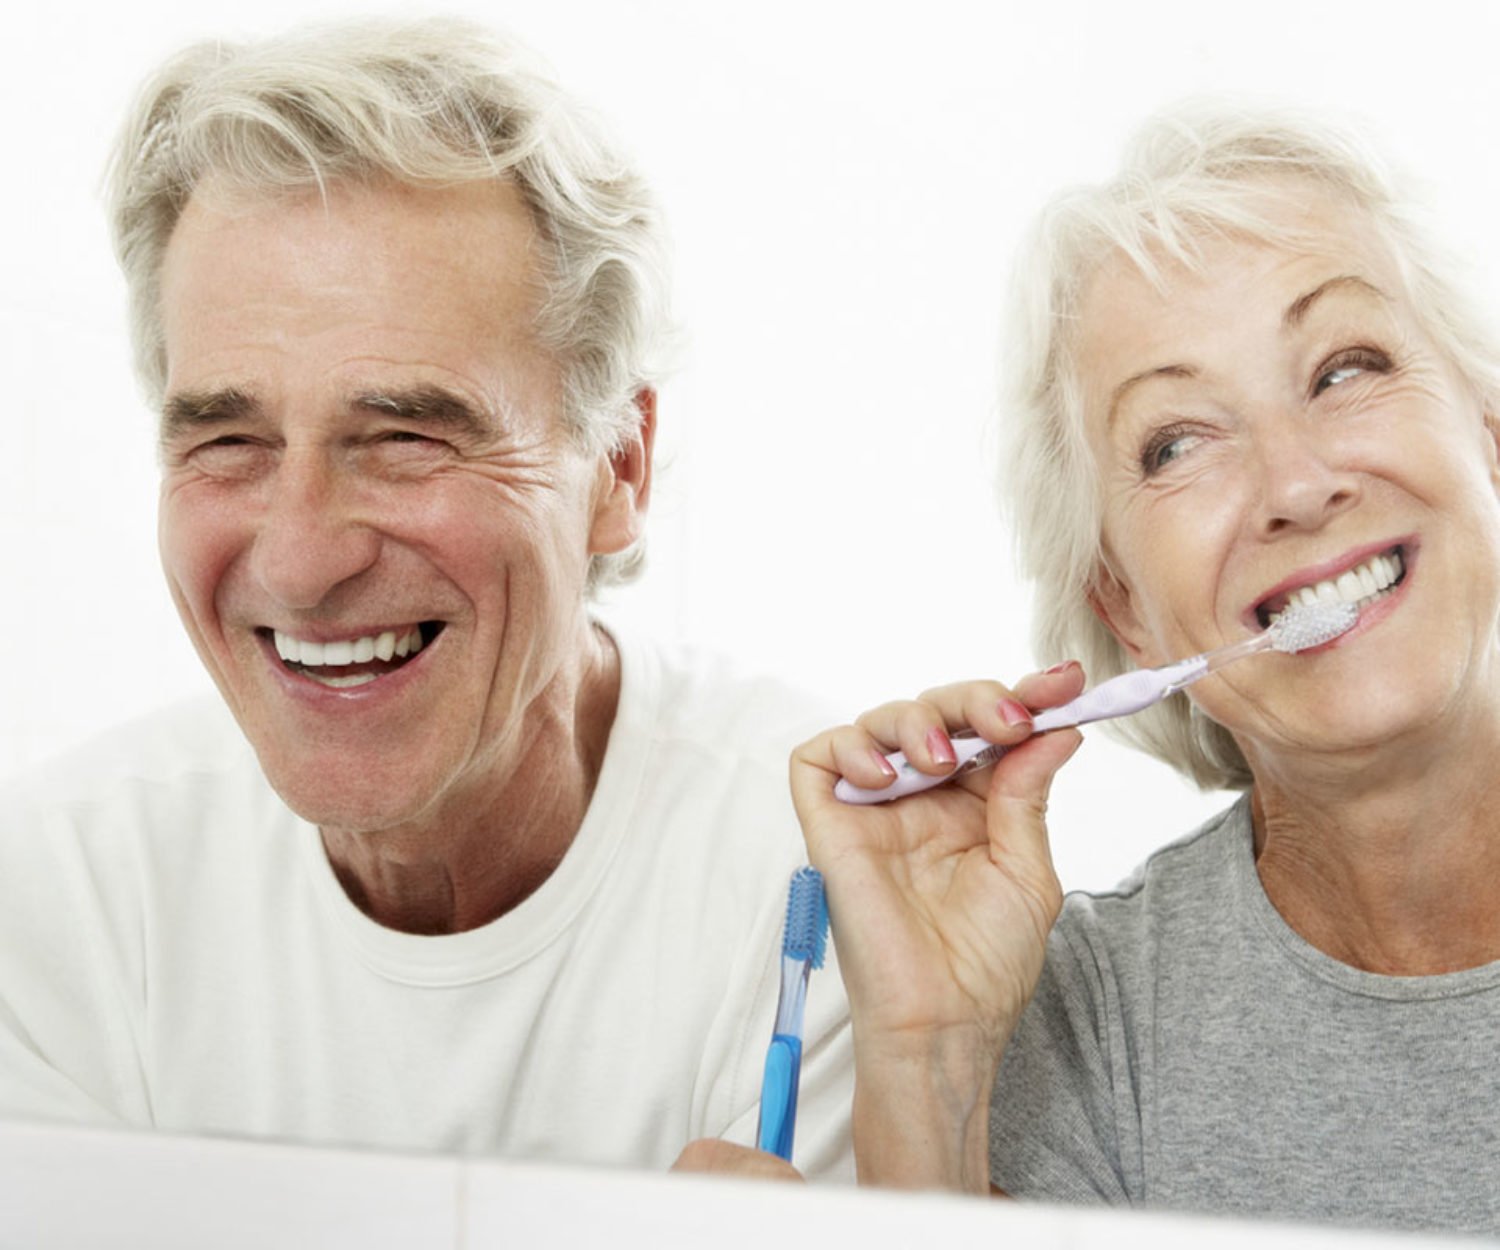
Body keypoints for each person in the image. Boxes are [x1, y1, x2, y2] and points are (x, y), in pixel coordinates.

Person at [0, 17, 853, 1178]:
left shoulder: (822, 874)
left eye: (404, 436)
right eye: (232, 439)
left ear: (618, 467)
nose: (300, 559)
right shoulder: (66, 898)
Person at [789, 100, 1500, 1233]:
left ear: (1489, 433)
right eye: (1178, 442)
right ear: (1124, 607)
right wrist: (926, 1060)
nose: (1296, 484)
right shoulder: (1090, 1023)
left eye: (1346, 367)